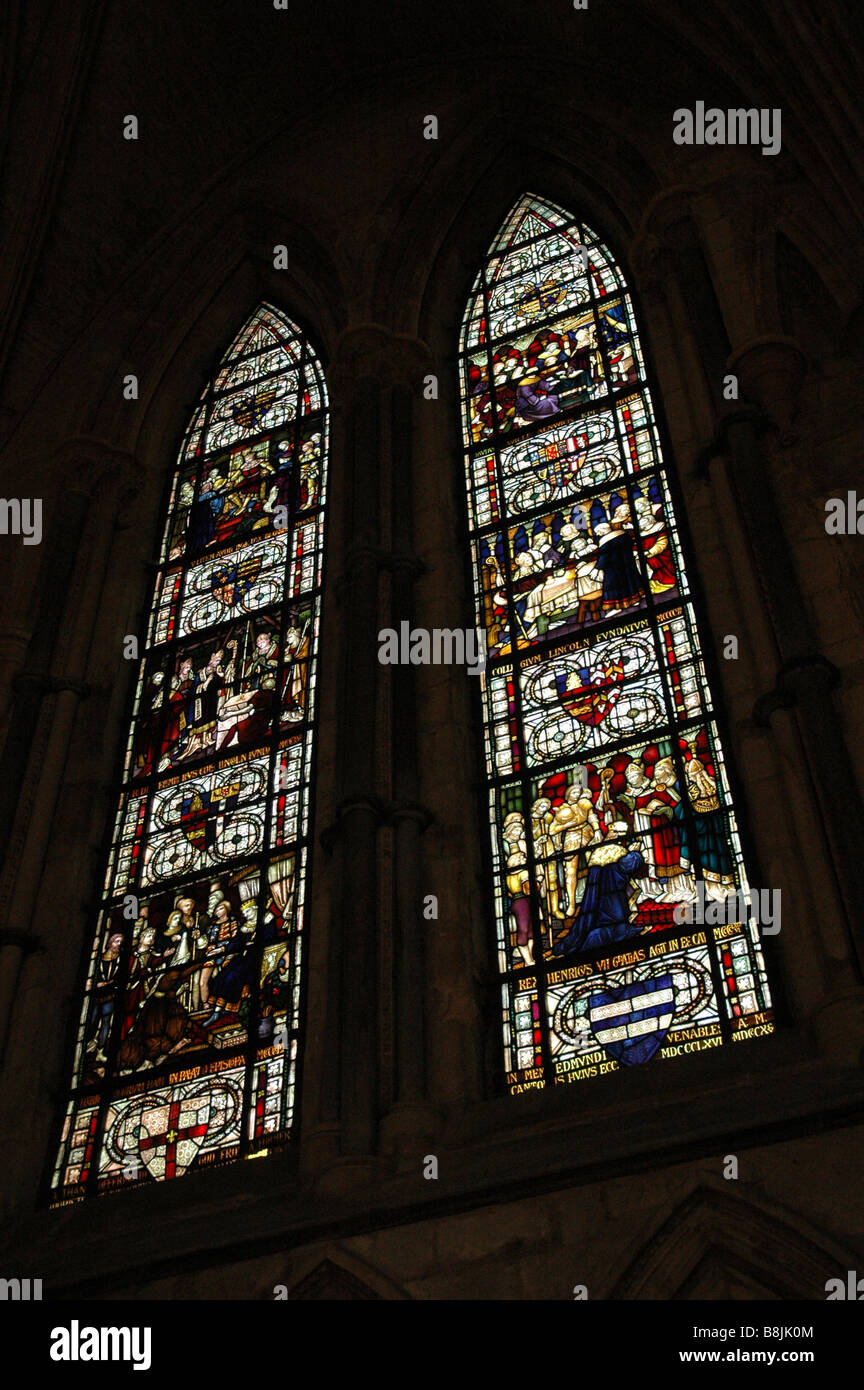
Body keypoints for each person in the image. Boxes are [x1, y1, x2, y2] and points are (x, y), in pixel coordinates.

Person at [552, 821, 647, 955]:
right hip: (614, 899)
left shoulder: (598, 851)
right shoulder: (616, 850)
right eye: (619, 834)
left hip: (596, 899)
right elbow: (626, 867)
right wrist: (635, 853)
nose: (620, 837)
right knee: (614, 920)